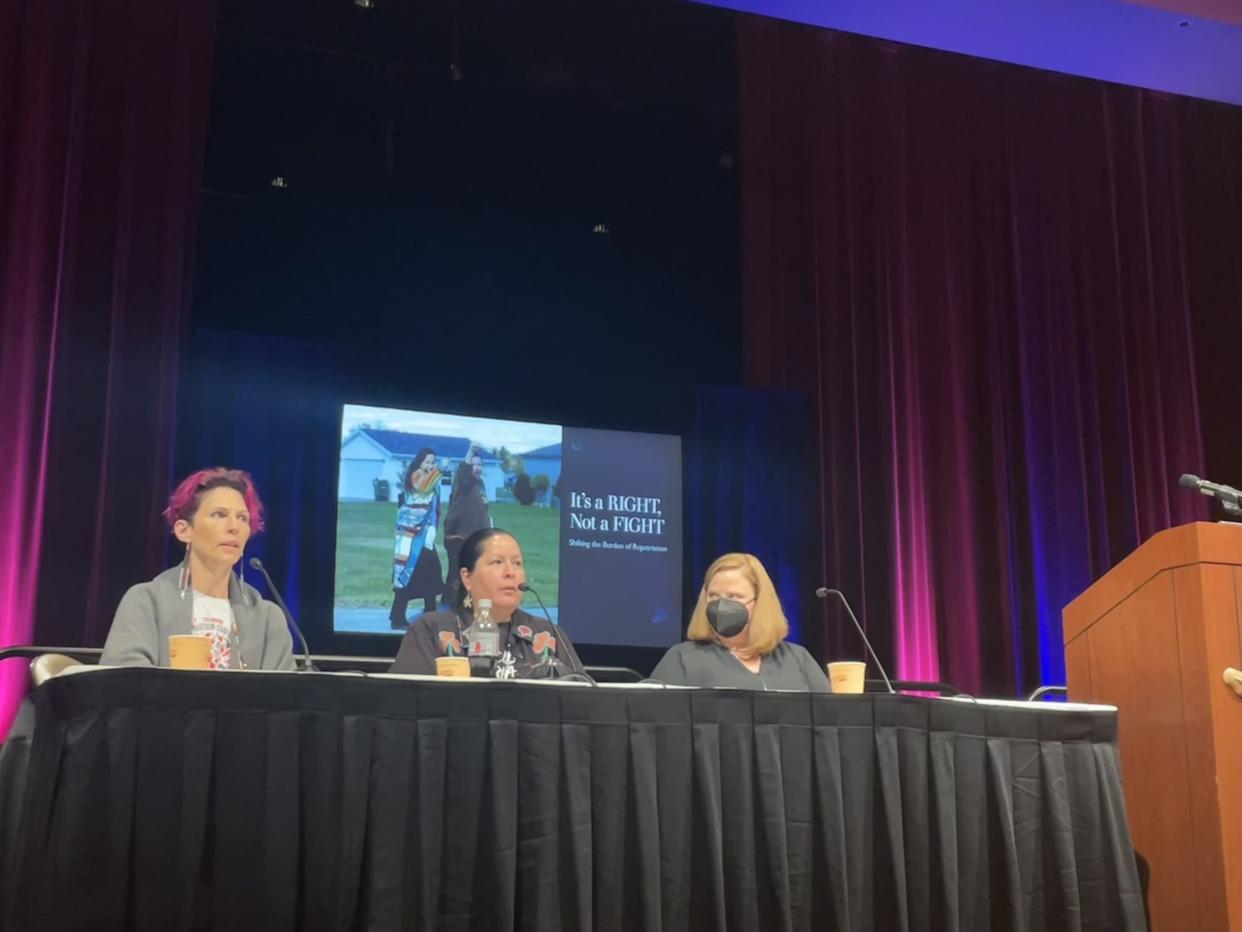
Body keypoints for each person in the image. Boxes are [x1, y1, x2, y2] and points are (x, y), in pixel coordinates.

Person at [100, 467, 295, 670]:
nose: (234, 527)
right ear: (184, 531)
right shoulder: (146, 602)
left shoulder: (267, 618)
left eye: (242, 518)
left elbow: (287, 697)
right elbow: (123, 685)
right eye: (219, 515)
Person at [390, 527, 586, 679]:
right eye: (497, 562)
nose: (510, 572)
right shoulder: (431, 630)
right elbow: (405, 705)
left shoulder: (548, 634)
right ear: (467, 578)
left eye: (517, 563)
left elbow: (583, 700)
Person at [650, 552, 831, 691]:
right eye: (713, 596)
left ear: (759, 602)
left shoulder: (797, 659)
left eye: (733, 596)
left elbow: (829, 722)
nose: (721, 605)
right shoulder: (682, 659)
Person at [389, 448, 444, 629]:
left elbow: (434, 506)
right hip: (411, 536)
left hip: (425, 535)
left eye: (432, 462)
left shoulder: (432, 482)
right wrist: (440, 469)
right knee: (408, 575)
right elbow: (423, 486)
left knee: (432, 574)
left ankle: (430, 614)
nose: (429, 465)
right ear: (419, 462)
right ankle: (397, 618)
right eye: (427, 462)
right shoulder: (416, 476)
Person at [442, 450, 490, 604]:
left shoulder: (479, 484)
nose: (477, 467)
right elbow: (463, 469)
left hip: (475, 537)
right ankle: (451, 607)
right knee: (458, 574)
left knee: (470, 573)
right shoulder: (464, 482)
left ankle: (458, 604)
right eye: (474, 464)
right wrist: (471, 449)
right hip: (458, 537)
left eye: (479, 464)